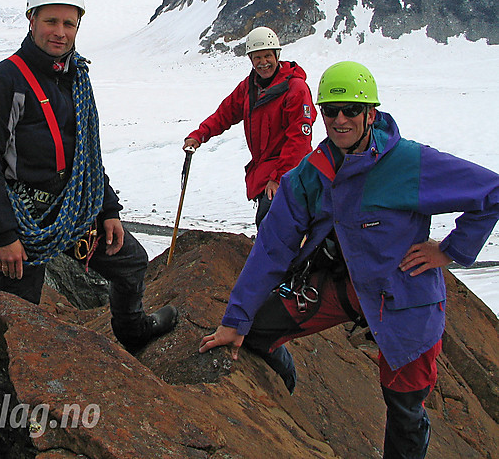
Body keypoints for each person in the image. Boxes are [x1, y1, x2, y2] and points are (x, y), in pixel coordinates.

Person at [198, 61, 499, 459]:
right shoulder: (311, 173)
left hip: (401, 296)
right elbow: (273, 245)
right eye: (330, 110)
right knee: (254, 333)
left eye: (351, 110)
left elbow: (491, 192)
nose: (340, 120)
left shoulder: (408, 163)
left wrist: (448, 250)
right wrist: (235, 319)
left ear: (370, 114)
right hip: (342, 286)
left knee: (404, 406)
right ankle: (287, 393)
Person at [0, 0, 178, 401]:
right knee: (9, 319)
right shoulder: (4, 82)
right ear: (31, 20)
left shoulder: (74, 77)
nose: (60, 32)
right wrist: (4, 236)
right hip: (23, 220)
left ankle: (132, 331)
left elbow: (86, 153)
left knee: (131, 262)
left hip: (73, 210)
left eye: (69, 23)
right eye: (51, 22)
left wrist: (108, 209)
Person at [184, 26, 316, 227]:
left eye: (267, 56)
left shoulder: (295, 89)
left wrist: (279, 178)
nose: (263, 63)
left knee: (273, 224)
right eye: (257, 58)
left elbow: (299, 140)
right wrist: (199, 135)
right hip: (264, 173)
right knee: (270, 226)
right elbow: (224, 115)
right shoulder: (249, 87)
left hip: (292, 173)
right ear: (251, 60)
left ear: (276, 55)